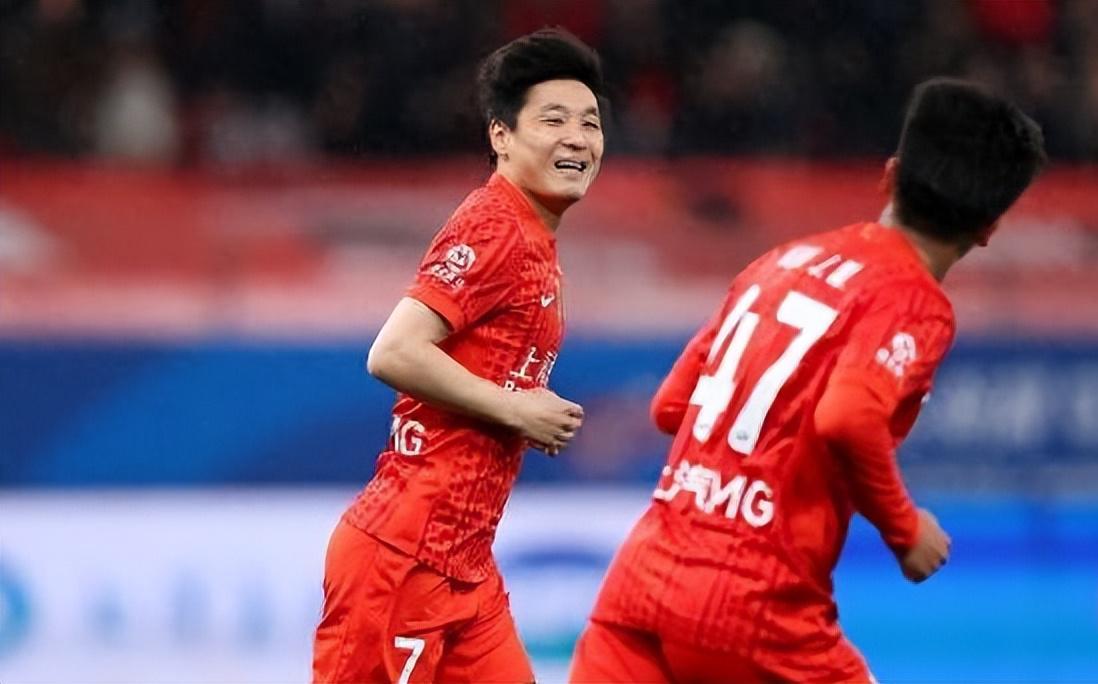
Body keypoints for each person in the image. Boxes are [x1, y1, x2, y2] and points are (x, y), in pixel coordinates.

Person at [570, 78, 1047, 683]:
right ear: (988, 228)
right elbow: (848, 415)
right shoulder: (913, 300)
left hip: (641, 586)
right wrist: (905, 528)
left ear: (890, 175)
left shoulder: (781, 261)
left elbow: (670, 406)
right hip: (755, 607)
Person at [312, 28, 606, 684]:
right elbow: (393, 351)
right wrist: (515, 410)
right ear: (502, 135)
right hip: (403, 561)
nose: (577, 139)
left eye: (590, 123)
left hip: (466, 568)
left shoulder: (534, 239)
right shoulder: (494, 226)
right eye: (553, 120)